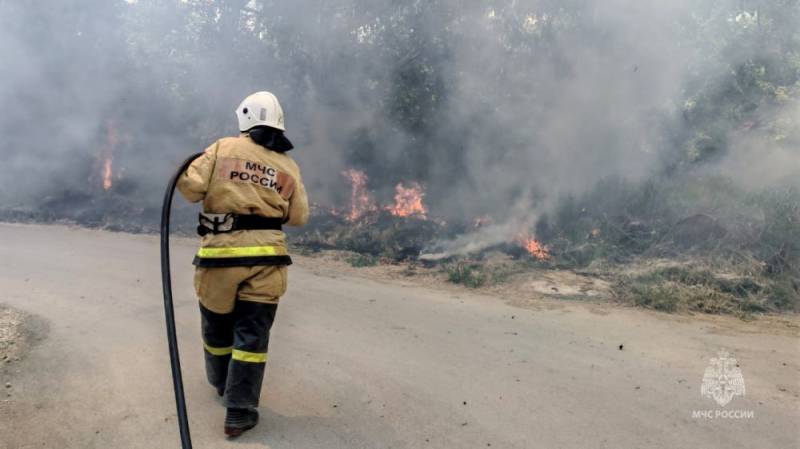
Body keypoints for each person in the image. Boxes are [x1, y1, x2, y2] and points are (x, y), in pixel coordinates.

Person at [177, 91, 309, 437]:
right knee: (253, 335)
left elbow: (190, 189)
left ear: (245, 117)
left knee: (217, 326)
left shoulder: (222, 148)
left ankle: (221, 382)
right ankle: (239, 411)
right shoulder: (289, 165)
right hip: (268, 259)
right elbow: (298, 217)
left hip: (221, 258)